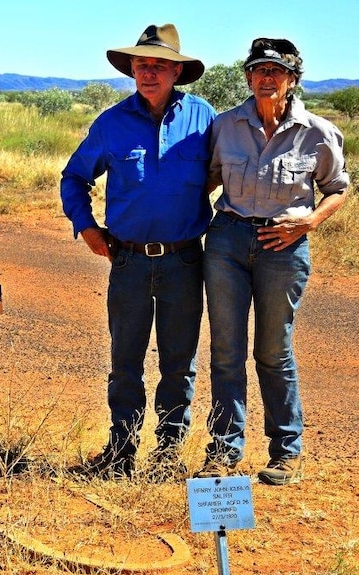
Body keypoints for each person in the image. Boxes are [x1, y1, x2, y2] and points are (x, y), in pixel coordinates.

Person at [60, 24, 215, 479]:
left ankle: (167, 455)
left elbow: (229, 169)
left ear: (176, 71)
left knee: (178, 363)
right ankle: (121, 451)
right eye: (142, 64)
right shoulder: (111, 123)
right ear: (131, 69)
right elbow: (74, 178)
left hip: (185, 260)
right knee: (125, 360)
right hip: (125, 261)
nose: (149, 72)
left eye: (159, 65)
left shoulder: (204, 118)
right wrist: (87, 228)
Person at [195, 38, 350, 485]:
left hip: (284, 245)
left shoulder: (317, 132)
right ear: (247, 78)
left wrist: (310, 222)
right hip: (227, 239)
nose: (266, 78)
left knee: (273, 349)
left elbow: (338, 187)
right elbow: (205, 181)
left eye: (275, 72)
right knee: (226, 350)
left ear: (292, 81)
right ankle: (223, 450)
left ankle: (286, 451)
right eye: (258, 70)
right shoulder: (225, 126)